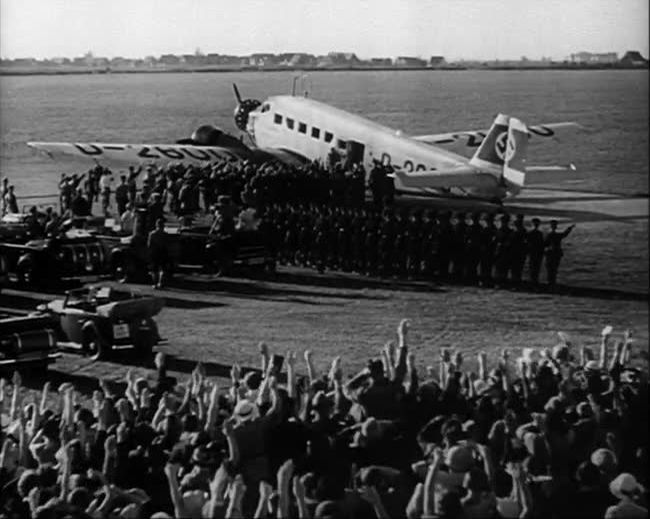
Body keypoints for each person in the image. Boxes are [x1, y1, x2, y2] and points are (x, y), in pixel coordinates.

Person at [544, 220, 575, 287]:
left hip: (551, 254)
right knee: (554, 269)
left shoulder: (550, 235)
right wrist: (569, 228)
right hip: (556, 253)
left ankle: (550, 282)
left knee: (550, 269)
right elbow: (565, 234)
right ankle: (552, 282)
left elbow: (545, 244)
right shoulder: (557, 235)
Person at [147, 217, 169, 289]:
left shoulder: (152, 234)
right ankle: (161, 282)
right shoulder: (165, 234)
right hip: (163, 252)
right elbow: (167, 244)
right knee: (162, 269)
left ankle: (155, 283)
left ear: (156, 225)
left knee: (154, 269)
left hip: (155, 252)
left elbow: (149, 245)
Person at [527, 217, 545, 285]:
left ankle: (533, 281)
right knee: (535, 267)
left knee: (534, 267)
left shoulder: (533, 233)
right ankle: (534, 281)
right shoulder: (538, 233)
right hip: (535, 252)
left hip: (535, 252)